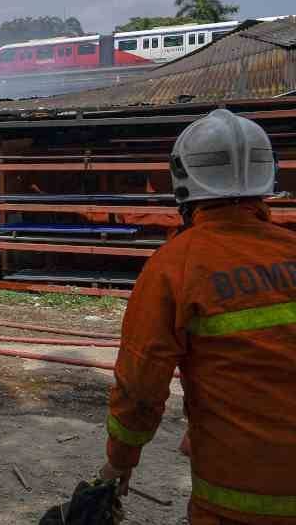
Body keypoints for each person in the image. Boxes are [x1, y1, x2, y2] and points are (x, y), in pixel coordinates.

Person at [99, 109, 296, 524]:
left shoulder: (175, 267)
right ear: (267, 175)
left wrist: (119, 462)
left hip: (238, 501)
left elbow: (140, 387)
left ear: (183, 178)